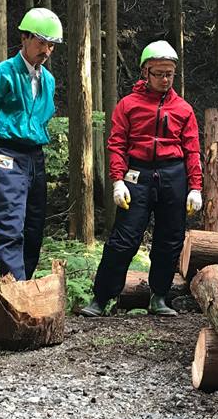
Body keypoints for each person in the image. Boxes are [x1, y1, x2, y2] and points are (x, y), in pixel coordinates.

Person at [82, 41, 202, 317]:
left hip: (173, 175)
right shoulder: (128, 105)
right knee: (124, 238)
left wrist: (195, 187)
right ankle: (101, 298)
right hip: (138, 174)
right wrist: (117, 180)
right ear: (145, 72)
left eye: (169, 74)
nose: (164, 79)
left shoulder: (183, 109)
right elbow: (117, 144)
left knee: (170, 238)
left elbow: (192, 150)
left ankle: (159, 296)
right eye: (158, 73)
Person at [0, 8, 61, 281]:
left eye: (51, 45)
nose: (46, 50)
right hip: (5, 152)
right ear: (24, 38)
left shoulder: (48, 80)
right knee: (9, 223)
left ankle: (24, 284)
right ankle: (15, 288)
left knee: (33, 226)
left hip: (35, 156)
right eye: (41, 42)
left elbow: (43, 117)